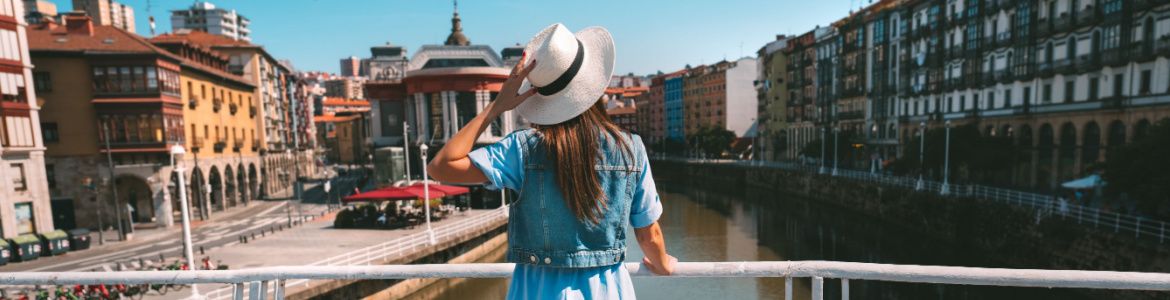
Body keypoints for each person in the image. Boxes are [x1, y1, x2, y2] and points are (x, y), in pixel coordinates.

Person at [428, 23, 675, 299]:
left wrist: (496, 106)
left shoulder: (522, 150)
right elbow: (648, 235)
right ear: (593, 87)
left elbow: (440, 166)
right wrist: (663, 264)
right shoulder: (631, 149)